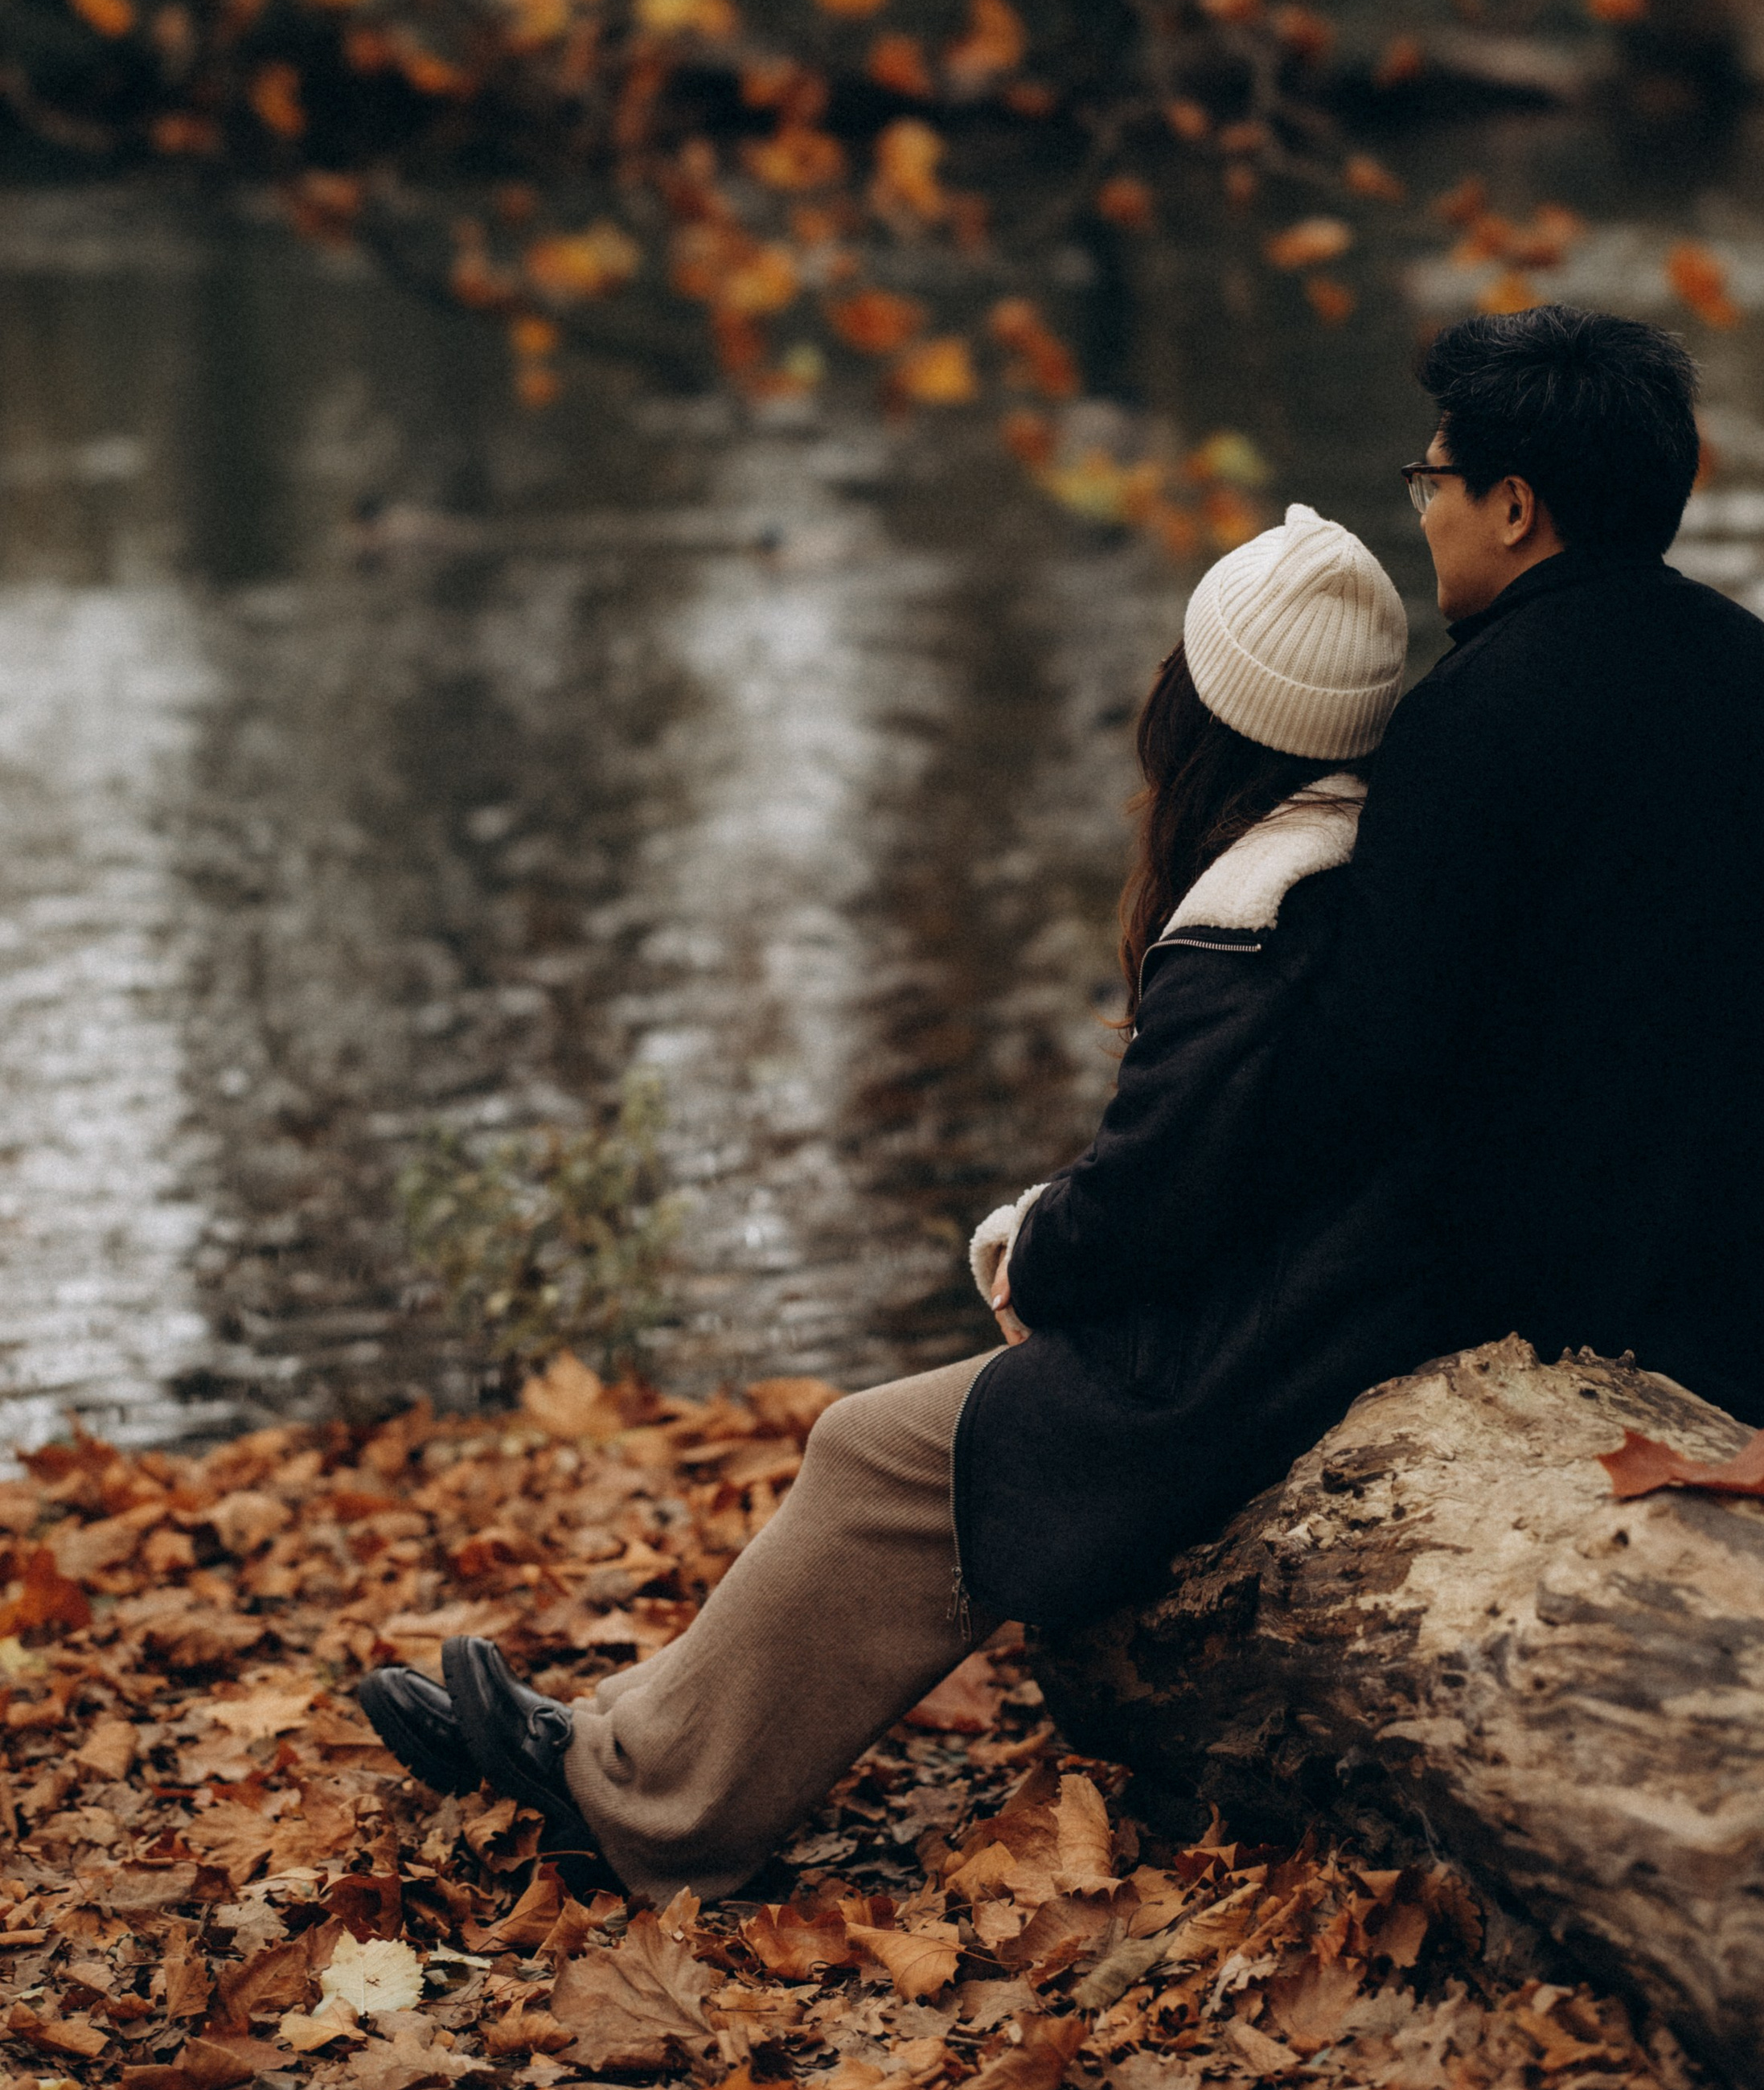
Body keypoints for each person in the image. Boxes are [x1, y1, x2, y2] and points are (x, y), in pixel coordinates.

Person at [357, 300, 1764, 1891]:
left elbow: (1368, 1079)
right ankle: (625, 1735)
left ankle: (632, 1796)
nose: (1423, 505)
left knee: (928, 1439)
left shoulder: (1472, 723)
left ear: (1514, 502)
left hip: (1525, 1289)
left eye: (1433, 475)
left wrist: (1114, 1253)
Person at [355, 498, 1413, 1899]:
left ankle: (644, 1812)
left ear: (1203, 707)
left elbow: (1148, 1205)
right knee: (886, 1438)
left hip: (1249, 1355)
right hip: (1307, 1303)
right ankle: (611, 1736)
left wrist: (1028, 1243)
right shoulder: (1368, 864)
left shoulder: (1258, 911)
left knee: (882, 1451)